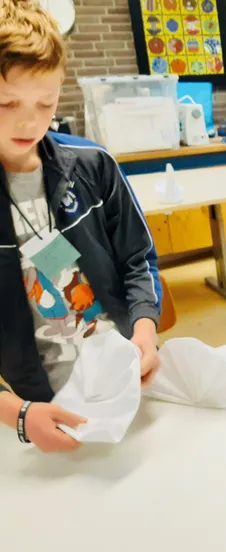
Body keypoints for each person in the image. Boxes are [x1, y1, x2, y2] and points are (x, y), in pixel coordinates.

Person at [0, 0, 162, 451]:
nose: (29, 120)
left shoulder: (93, 166)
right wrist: (17, 414)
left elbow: (137, 259)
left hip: (125, 377)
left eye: (45, 103)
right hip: (39, 404)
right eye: (6, 103)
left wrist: (145, 331)